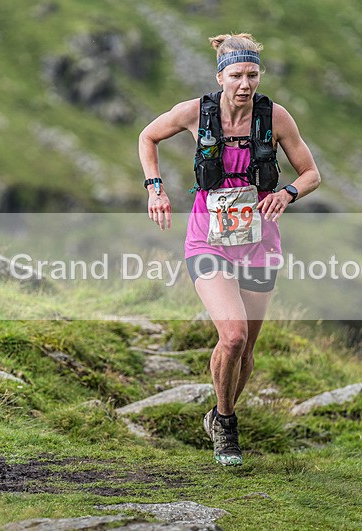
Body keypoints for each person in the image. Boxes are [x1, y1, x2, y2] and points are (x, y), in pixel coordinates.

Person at [138, 32, 321, 466]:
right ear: (220, 75)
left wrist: (288, 193)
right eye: (237, 74)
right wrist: (155, 189)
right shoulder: (194, 113)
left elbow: (311, 172)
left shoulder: (275, 117)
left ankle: (221, 412)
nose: (245, 83)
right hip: (208, 237)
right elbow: (148, 137)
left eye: (252, 74)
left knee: (247, 350)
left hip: (259, 241)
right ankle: (226, 424)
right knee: (233, 336)